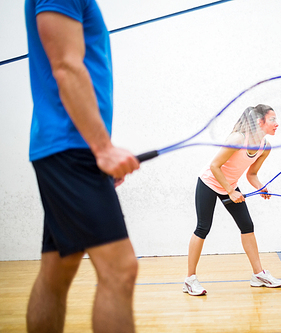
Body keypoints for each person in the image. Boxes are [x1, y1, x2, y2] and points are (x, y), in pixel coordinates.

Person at [24, 0, 140, 332]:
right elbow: (65, 64)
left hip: (70, 147)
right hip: (70, 147)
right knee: (120, 270)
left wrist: (98, 149)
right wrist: (101, 148)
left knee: (58, 269)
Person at [184, 104, 281, 296]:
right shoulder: (238, 139)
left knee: (247, 226)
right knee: (203, 227)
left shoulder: (265, 146)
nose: (276, 124)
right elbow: (215, 166)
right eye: (272, 119)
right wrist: (230, 191)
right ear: (259, 121)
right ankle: (190, 280)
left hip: (228, 184)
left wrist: (260, 187)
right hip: (209, 182)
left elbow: (252, 174)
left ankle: (258, 275)